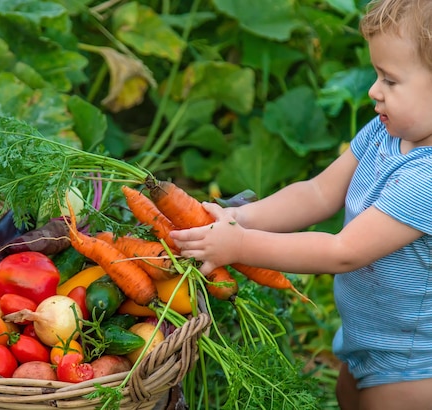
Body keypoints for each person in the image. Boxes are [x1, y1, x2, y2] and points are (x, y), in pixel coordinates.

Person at [168, 0, 432, 409]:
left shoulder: (426, 180)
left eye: (390, 80)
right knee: (348, 398)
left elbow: (344, 252)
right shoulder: (384, 133)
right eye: (377, 74)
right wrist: (241, 217)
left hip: (414, 363)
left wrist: (240, 246)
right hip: (367, 337)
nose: (373, 90)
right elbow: (317, 193)